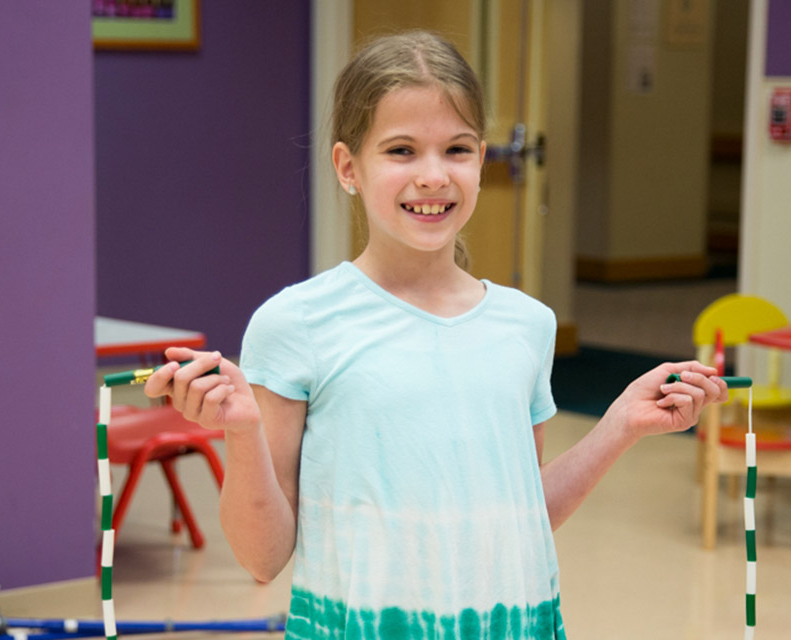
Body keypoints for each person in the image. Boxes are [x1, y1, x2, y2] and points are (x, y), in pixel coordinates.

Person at [144, 30, 727, 640]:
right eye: (401, 150)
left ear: (481, 158)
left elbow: (519, 517)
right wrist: (242, 433)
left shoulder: (526, 325)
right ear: (349, 168)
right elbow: (262, 558)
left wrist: (620, 427)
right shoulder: (297, 324)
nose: (433, 176)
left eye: (456, 150)